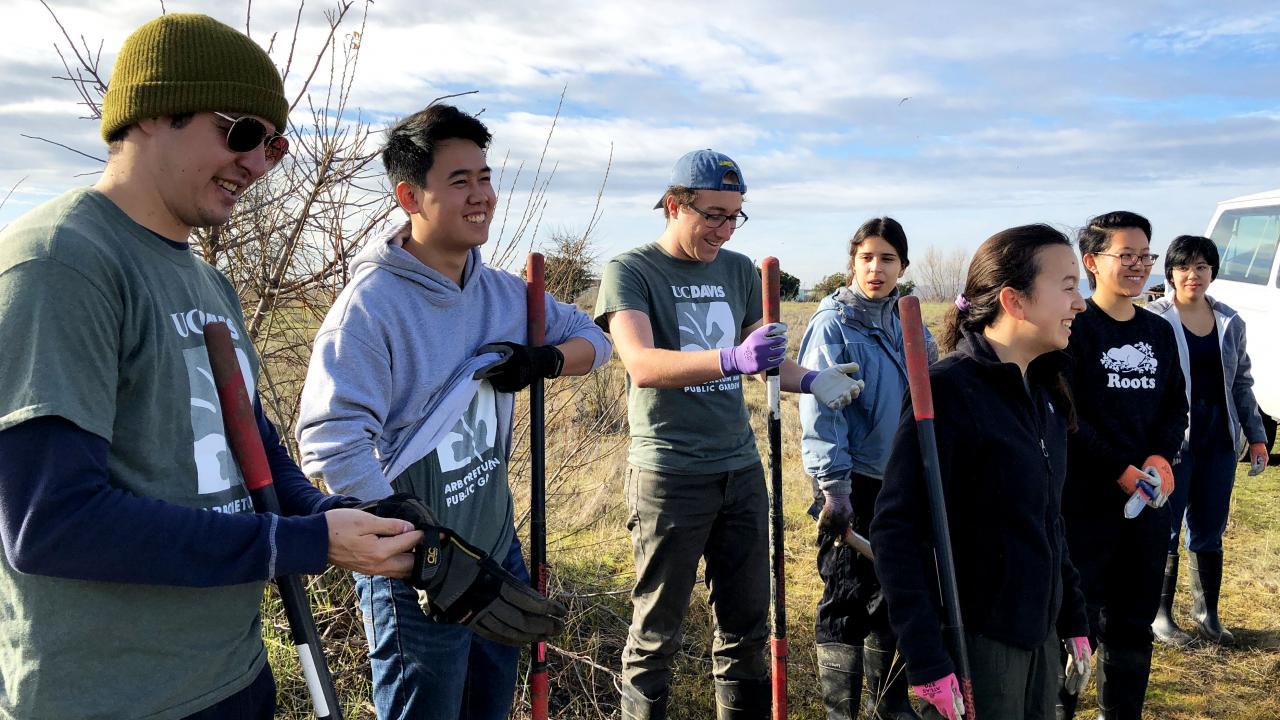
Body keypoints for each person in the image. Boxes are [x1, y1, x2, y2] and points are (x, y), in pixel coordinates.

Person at [0, 14, 425, 719]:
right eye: (241, 134)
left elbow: (251, 445)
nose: (258, 164)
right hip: (113, 700)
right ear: (152, 114)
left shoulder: (208, 284)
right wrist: (303, 542)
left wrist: (328, 513)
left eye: (275, 145)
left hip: (232, 676)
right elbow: (50, 522)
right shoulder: (61, 264)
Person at [295, 103, 610, 720]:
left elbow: (595, 343)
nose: (482, 196)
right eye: (460, 181)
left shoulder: (503, 294)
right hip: (420, 568)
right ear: (410, 195)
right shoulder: (371, 307)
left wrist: (540, 361)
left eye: (485, 178)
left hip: (494, 548)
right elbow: (332, 442)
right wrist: (414, 549)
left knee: (490, 705)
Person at [593, 148, 864, 720]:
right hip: (669, 473)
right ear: (674, 205)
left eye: (734, 215)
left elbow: (761, 362)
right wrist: (732, 357)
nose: (722, 229)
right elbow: (642, 364)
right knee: (655, 633)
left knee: (746, 625)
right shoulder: (631, 271)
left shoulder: (739, 270)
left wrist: (812, 379)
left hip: (739, 471)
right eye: (711, 214)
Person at [870, 224, 1092, 719]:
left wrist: (1073, 616)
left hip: (1039, 635)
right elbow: (897, 530)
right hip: (977, 647)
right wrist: (927, 661)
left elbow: (1048, 521)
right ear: (1014, 300)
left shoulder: (1045, 392)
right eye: (1069, 287)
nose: (1080, 303)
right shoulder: (949, 394)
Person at [797, 217, 934, 720]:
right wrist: (834, 489)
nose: (876, 269)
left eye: (888, 259)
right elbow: (819, 410)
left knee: (896, 592)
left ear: (904, 265)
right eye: (867, 258)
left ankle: (889, 705)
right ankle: (841, 713)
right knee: (847, 596)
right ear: (852, 262)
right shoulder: (833, 322)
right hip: (853, 482)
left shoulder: (909, 319)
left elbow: (929, 394)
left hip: (901, 479)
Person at [1058, 211, 1189, 720]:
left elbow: (1175, 406)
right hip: (1086, 504)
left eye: (1145, 255)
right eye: (1126, 255)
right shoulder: (1077, 328)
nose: (1138, 265)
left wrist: (1158, 455)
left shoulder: (1158, 331)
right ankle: (1059, 708)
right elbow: (1068, 415)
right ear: (1092, 262)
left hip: (1148, 503)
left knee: (1133, 624)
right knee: (1077, 620)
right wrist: (1119, 467)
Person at [1146, 234, 1269, 646]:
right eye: (1184, 267)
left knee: (1209, 529)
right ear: (1171, 273)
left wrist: (1256, 436)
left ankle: (1207, 613)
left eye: (1201, 267)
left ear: (1212, 272)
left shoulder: (1230, 321)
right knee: (1164, 527)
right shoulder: (1155, 319)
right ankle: (1159, 616)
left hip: (1217, 439)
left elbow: (1241, 383)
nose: (1193, 275)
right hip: (1172, 444)